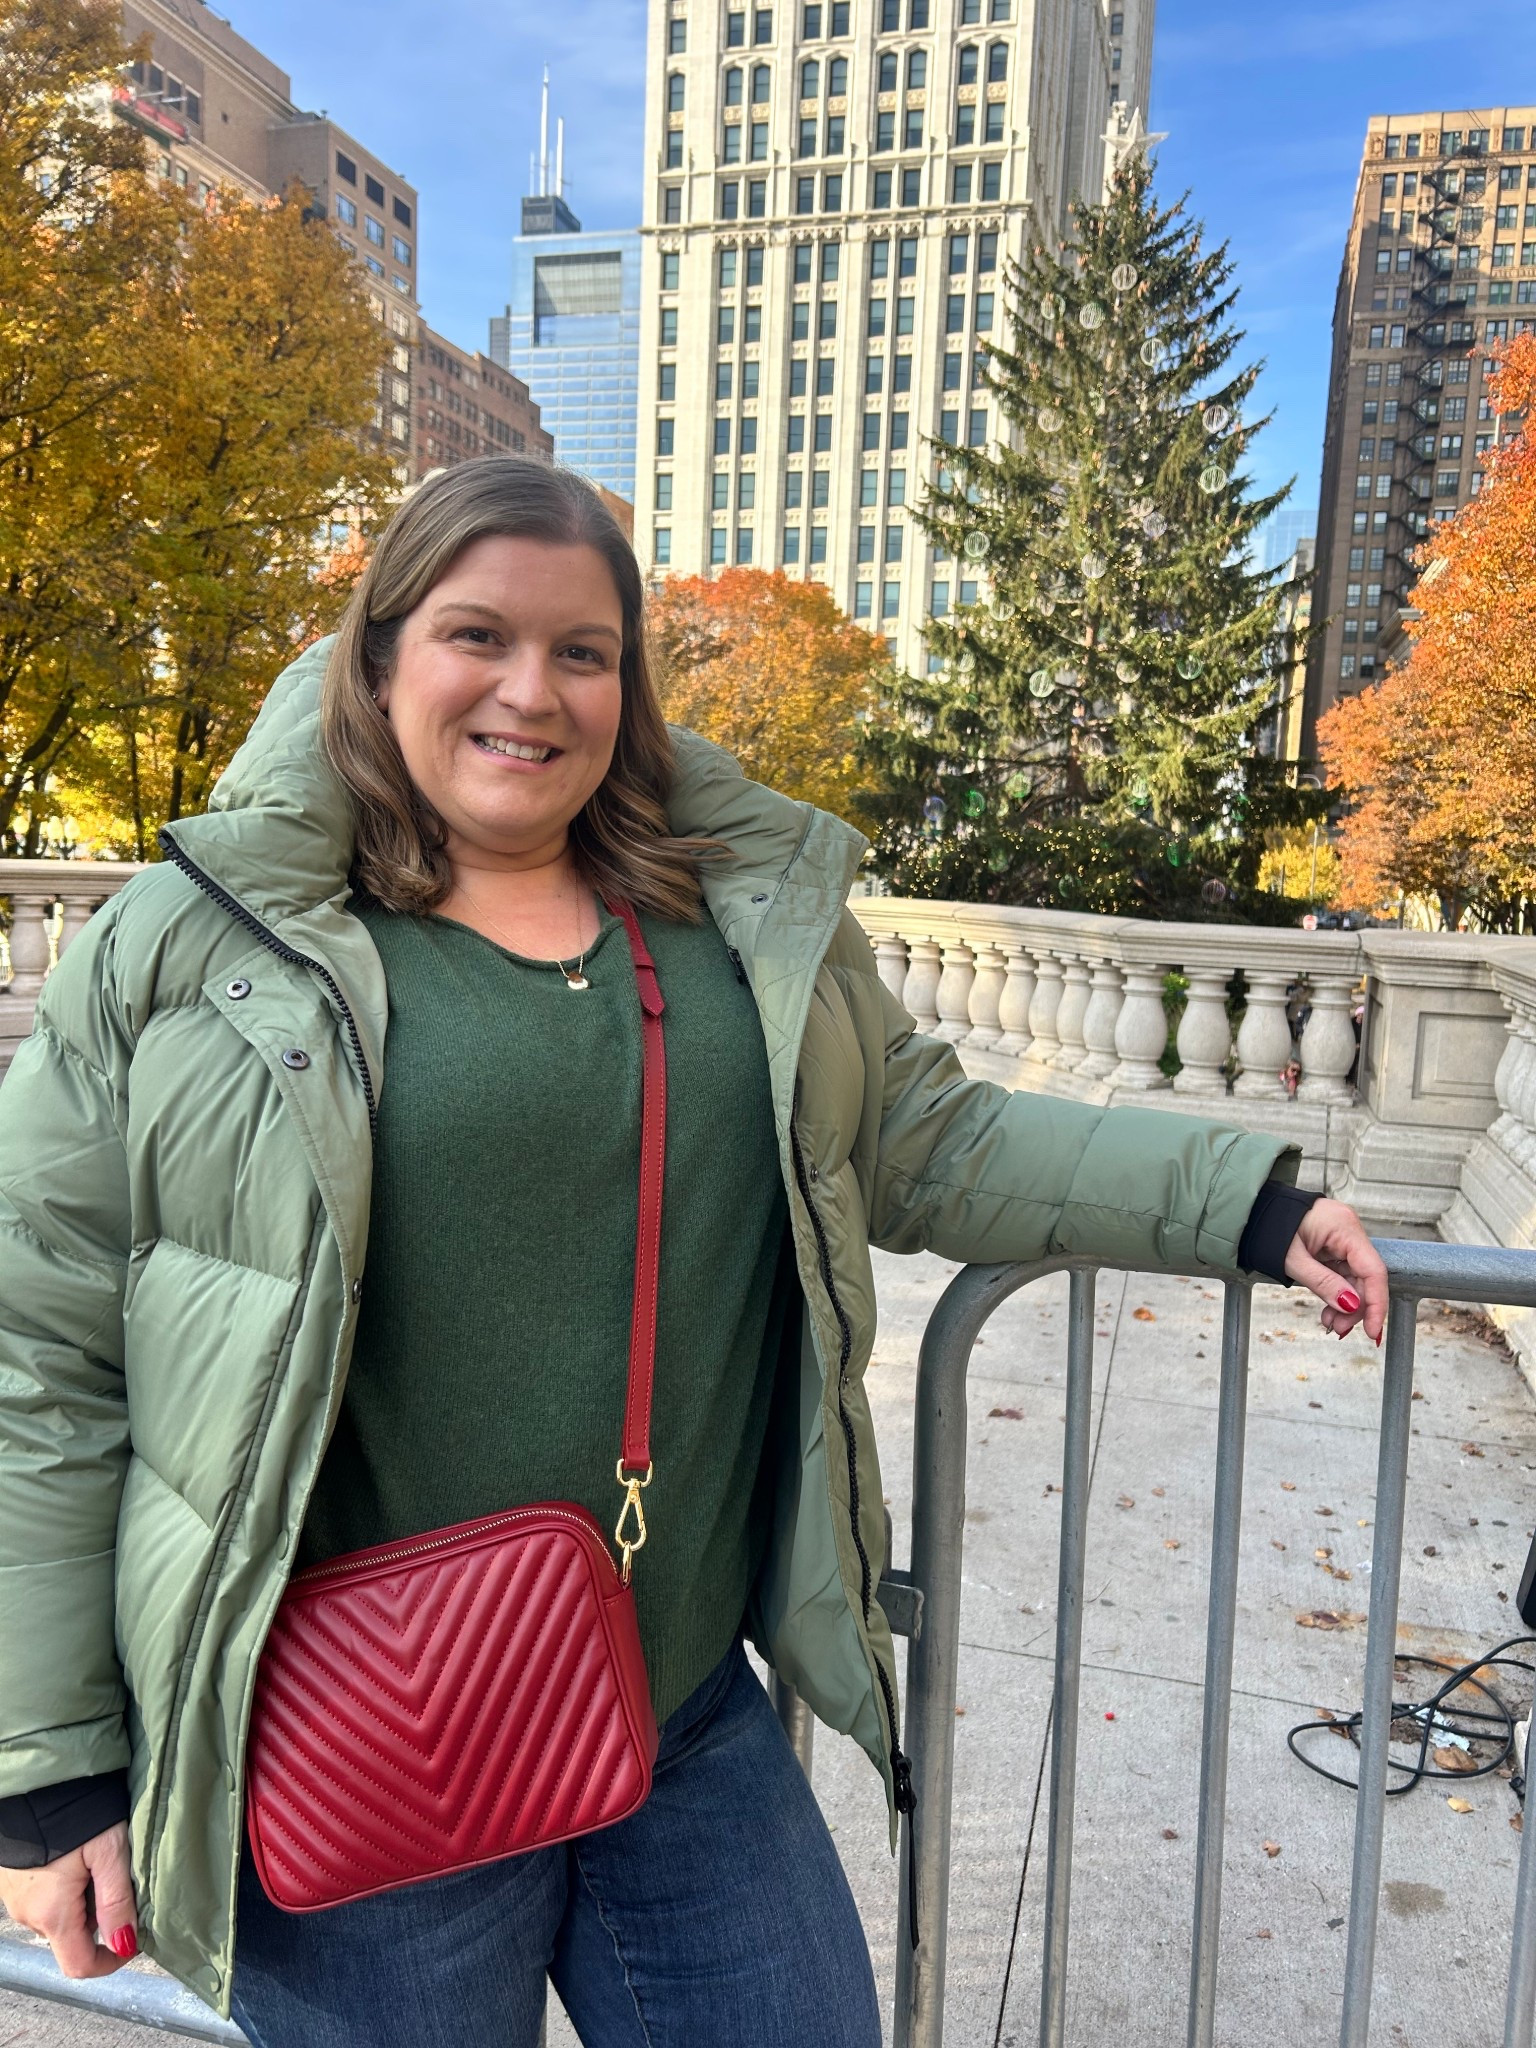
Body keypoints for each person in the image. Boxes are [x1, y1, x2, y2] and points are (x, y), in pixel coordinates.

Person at [0, 459, 1387, 2047]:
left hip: (680, 1719)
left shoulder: (733, 915)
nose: (532, 690)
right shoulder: (187, 948)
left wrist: (1252, 1204)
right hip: (368, 1745)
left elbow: (932, 1140)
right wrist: (46, 1765)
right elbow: (36, 1349)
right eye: (477, 635)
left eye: (583, 651)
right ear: (378, 658)